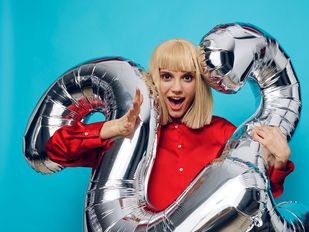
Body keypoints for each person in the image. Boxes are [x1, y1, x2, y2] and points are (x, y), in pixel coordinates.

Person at [45, 38, 294, 211]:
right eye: (167, 77)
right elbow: (56, 150)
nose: (176, 88)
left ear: (199, 84)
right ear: (153, 80)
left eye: (187, 77)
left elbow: (255, 198)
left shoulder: (224, 133)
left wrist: (279, 163)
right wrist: (109, 129)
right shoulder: (129, 132)